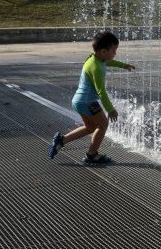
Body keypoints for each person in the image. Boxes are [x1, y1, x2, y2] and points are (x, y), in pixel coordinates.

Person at [48, 31, 135, 163]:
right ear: (104, 52)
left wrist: (123, 65)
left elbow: (109, 62)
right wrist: (110, 109)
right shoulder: (96, 68)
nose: (115, 54)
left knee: (90, 127)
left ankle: (62, 140)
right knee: (103, 125)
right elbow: (101, 91)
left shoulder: (94, 58)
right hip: (88, 101)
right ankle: (92, 155)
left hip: (79, 100)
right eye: (114, 51)